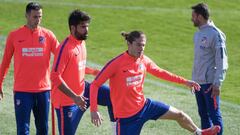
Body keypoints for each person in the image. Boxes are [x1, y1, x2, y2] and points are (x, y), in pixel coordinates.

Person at [90, 30, 221, 135]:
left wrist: (185, 81)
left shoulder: (143, 59)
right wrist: (94, 110)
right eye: (138, 45)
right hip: (126, 119)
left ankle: (200, 132)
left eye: (143, 45)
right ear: (129, 44)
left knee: (180, 115)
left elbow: (160, 72)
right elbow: (95, 85)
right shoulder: (116, 64)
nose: (141, 48)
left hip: (145, 107)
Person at [50, 9, 115, 135]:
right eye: (83, 27)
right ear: (73, 28)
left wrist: (94, 71)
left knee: (113, 96)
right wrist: (74, 97)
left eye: (87, 26)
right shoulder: (65, 49)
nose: (87, 30)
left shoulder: (81, 43)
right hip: (67, 102)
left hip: (84, 90)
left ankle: (116, 132)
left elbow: (76, 67)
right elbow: (54, 76)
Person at [0, 2, 59, 135]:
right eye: (35, 17)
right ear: (26, 16)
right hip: (22, 91)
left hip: (43, 90)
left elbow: (62, 56)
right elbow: (5, 62)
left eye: (40, 17)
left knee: (43, 129)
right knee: (22, 130)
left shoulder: (48, 35)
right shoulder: (14, 36)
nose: (38, 20)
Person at [191, 3, 228, 135]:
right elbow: (198, 61)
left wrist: (217, 83)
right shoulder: (198, 34)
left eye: (193, 16)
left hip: (210, 84)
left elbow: (222, 60)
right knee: (203, 115)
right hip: (198, 83)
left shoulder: (215, 34)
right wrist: (193, 80)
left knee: (214, 115)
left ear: (200, 16)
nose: (192, 19)